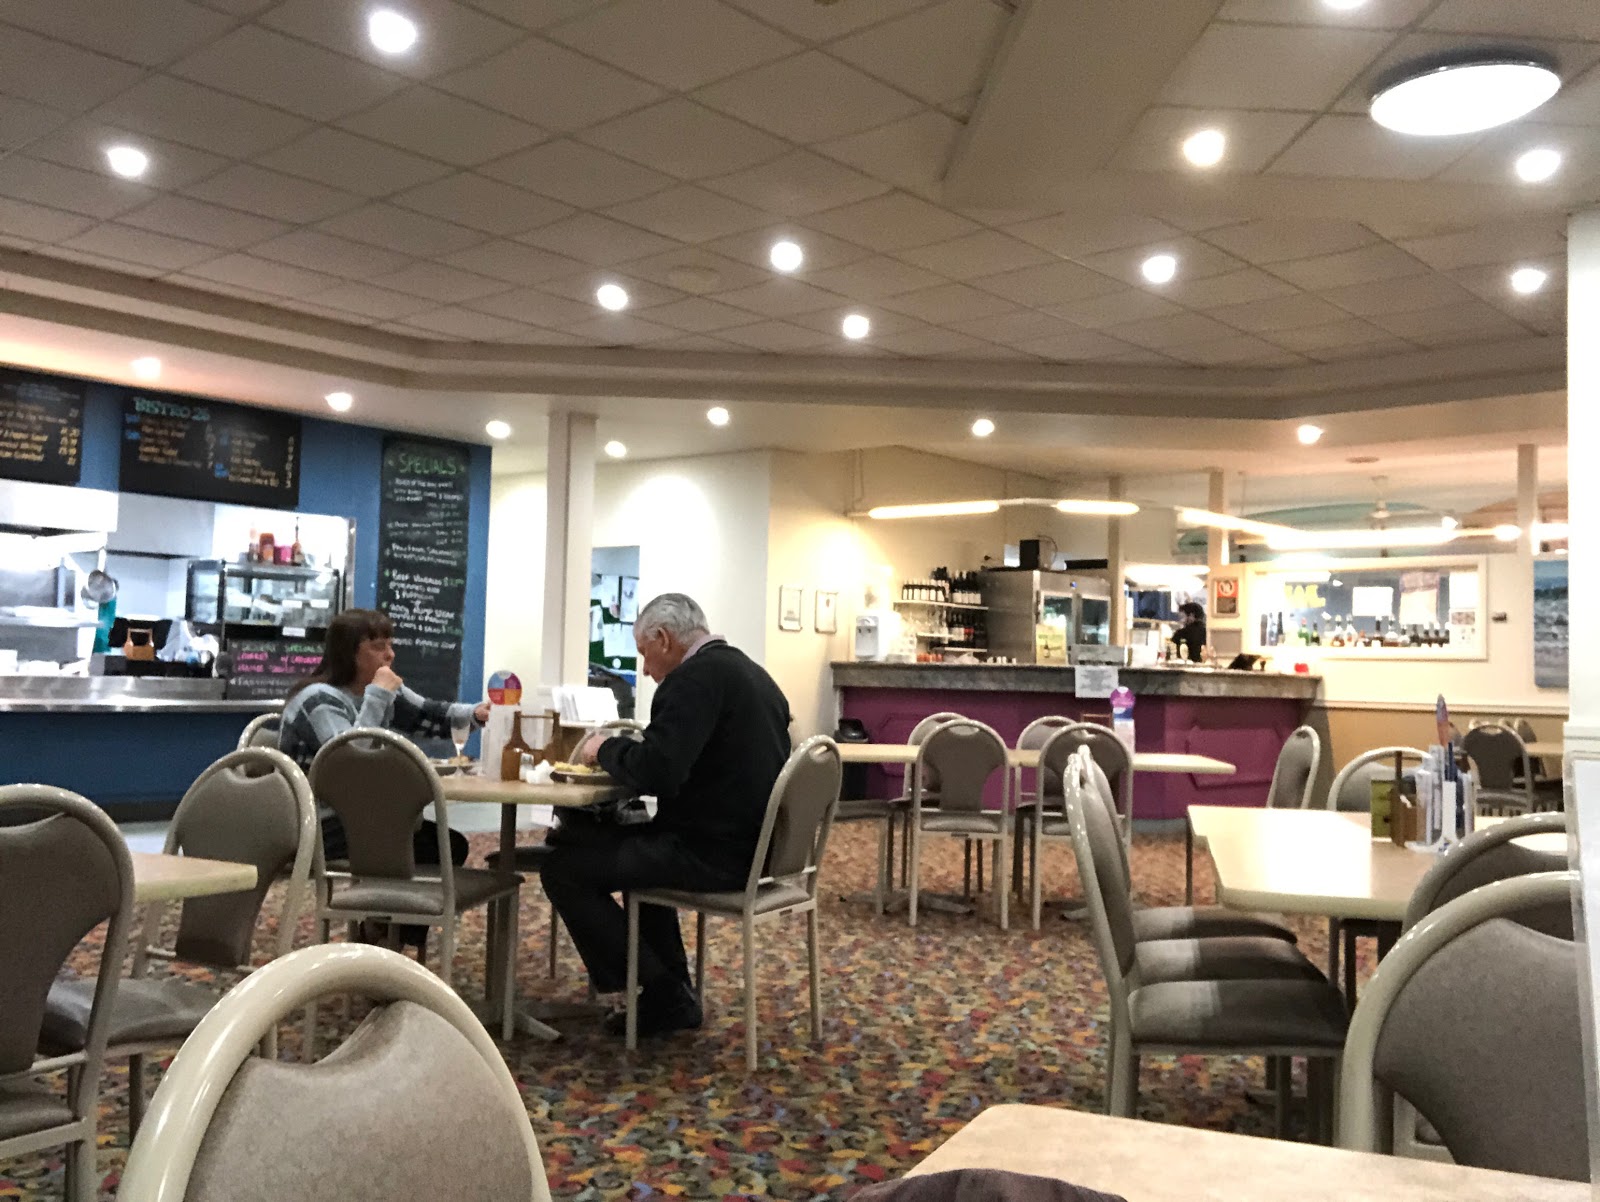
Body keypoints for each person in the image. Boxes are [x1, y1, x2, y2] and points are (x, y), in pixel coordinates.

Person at [540, 593, 791, 1038]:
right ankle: (669, 990)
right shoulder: (754, 675)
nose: (644, 670)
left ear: (664, 639)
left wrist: (605, 748)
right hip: (757, 848)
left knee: (563, 869)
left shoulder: (691, 681)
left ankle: (661, 992)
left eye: (644, 653)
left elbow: (658, 771)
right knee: (622, 847)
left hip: (712, 854)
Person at [279, 608, 486, 868]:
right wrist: (378, 695)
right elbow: (350, 760)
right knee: (430, 851)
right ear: (347, 653)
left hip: (361, 814)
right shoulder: (318, 698)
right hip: (319, 823)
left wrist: (477, 714)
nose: (390, 654)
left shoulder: (382, 692)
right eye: (378, 647)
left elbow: (430, 715)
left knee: (448, 845)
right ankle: (383, 892)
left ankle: (391, 893)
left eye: (390, 645)